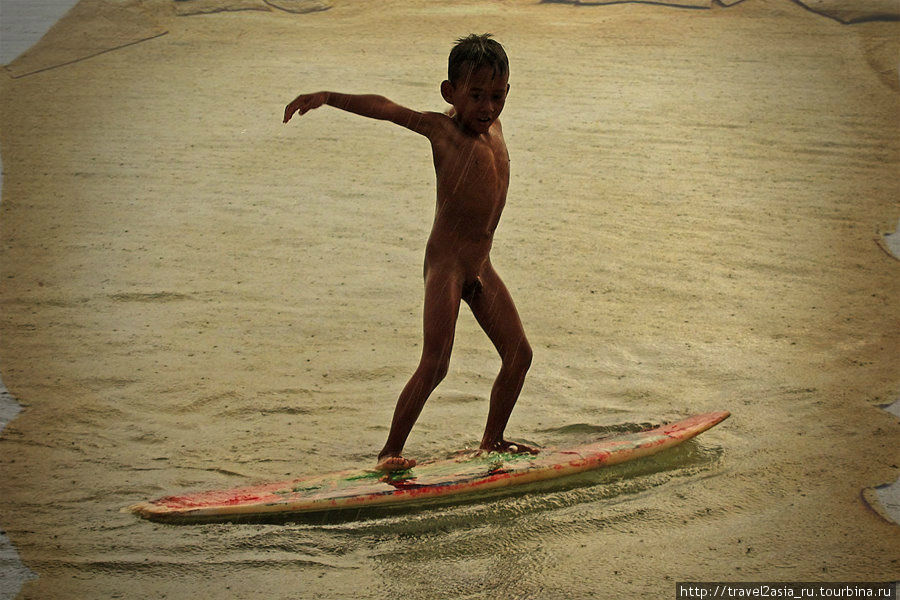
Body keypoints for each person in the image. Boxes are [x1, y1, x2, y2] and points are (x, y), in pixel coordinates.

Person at [283, 33, 536, 472]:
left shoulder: (494, 127)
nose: (487, 108)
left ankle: (492, 442)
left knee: (520, 355)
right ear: (449, 93)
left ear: (508, 92)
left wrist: (489, 104)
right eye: (475, 96)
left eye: (496, 96)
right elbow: (386, 109)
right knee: (435, 364)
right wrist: (327, 97)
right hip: (448, 269)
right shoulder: (444, 132)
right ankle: (389, 454)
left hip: (481, 268)